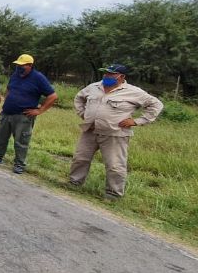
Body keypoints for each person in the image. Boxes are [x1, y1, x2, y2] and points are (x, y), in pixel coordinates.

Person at [68, 64, 163, 200]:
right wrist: (84, 114)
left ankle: (113, 194)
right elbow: (79, 98)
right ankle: (74, 183)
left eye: (111, 74)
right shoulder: (94, 87)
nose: (106, 76)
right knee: (80, 158)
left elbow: (156, 104)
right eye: (105, 73)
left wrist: (138, 121)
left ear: (121, 77)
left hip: (114, 134)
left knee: (115, 165)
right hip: (90, 130)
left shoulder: (133, 92)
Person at [0, 54, 58, 174]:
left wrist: (39, 110)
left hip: (23, 116)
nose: (19, 67)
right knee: (0, 137)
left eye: (22, 65)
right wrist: (5, 103)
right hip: (7, 113)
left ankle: (19, 164)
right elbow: (9, 89)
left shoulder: (38, 78)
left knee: (21, 141)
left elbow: (53, 96)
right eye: (18, 65)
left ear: (30, 65)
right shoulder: (16, 75)